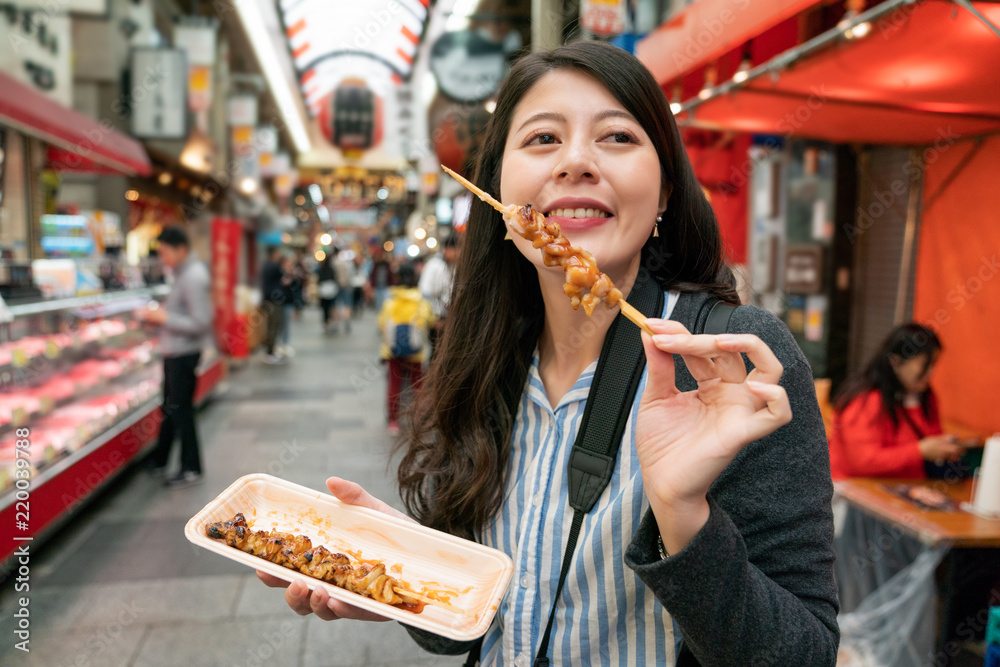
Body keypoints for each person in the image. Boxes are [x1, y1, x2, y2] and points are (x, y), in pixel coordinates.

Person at [258, 42, 838, 666]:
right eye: (541, 139)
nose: (576, 162)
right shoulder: (484, 356)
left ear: (666, 190)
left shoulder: (727, 364)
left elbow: (802, 655)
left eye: (617, 136)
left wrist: (681, 515)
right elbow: (476, 625)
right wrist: (402, 572)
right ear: (502, 192)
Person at [828, 323, 964, 480]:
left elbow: (933, 435)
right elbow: (863, 461)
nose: (931, 372)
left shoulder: (926, 396)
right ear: (896, 361)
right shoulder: (865, 399)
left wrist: (943, 447)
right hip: (860, 492)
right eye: (925, 365)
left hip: (910, 487)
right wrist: (920, 451)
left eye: (933, 364)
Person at [138, 226, 212, 488]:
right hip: (175, 352)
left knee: (181, 411)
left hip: (184, 354)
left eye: (164, 252)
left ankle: (191, 467)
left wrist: (164, 317)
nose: (162, 258)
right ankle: (161, 459)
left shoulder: (192, 276)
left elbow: (201, 322)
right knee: (170, 409)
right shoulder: (182, 274)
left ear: (180, 249)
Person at [376, 263, 434, 436]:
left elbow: (381, 323)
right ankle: (419, 417)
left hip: (392, 351)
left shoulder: (390, 300)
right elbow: (428, 319)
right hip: (416, 352)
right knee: (418, 385)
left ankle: (393, 421)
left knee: (394, 384)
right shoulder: (420, 300)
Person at [418, 234, 459, 357]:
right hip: (437, 321)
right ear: (447, 249)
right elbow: (425, 293)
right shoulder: (435, 265)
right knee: (436, 355)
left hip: (453, 321)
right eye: (457, 249)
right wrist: (433, 319)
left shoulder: (458, 266)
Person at [260, 246, 290, 364]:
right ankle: (269, 353)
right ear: (273, 253)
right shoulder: (272, 266)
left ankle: (271, 351)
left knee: (274, 326)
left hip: (272, 300)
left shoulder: (269, 266)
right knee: (273, 326)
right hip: (273, 301)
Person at [317, 253, 339, 334]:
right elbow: (334, 279)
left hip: (323, 290)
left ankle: (326, 324)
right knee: (331, 307)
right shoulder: (332, 269)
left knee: (325, 309)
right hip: (331, 290)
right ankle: (331, 323)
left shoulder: (321, 269)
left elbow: (319, 280)